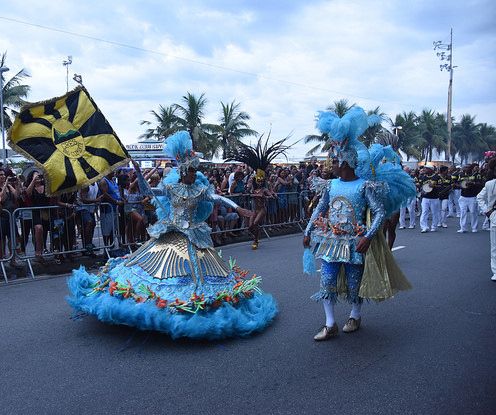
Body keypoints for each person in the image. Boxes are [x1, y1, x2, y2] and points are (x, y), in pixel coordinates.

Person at [68, 131, 277, 340]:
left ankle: (195, 302)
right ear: (184, 171)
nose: (195, 175)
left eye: (196, 172)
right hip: (171, 232)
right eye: (192, 171)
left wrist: (238, 208)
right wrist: (140, 174)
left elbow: (217, 198)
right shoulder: (170, 187)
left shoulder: (200, 189)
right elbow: (147, 191)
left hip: (194, 235)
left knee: (198, 274)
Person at [303, 107, 414, 341]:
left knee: (354, 284)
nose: (331, 164)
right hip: (331, 241)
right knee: (327, 281)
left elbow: (380, 212)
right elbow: (320, 209)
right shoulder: (330, 185)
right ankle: (330, 323)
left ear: (345, 163)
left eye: (334, 160)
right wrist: (307, 230)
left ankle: (355, 315)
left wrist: (368, 237)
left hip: (355, 243)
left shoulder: (364, 186)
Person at [477, 159, 496, 281]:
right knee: (495, 246)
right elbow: (480, 197)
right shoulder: (490, 184)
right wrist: (488, 211)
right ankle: (495, 271)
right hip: (495, 215)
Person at [458, 164, 483, 233]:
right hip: (463, 196)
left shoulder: (476, 175)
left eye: (468, 167)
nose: (466, 168)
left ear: (471, 168)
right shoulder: (461, 175)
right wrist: (461, 185)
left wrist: (472, 183)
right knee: (463, 212)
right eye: (465, 167)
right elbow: (458, 183)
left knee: (473, 212)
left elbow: (480, 184)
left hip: (472, 196)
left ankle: (474, 227)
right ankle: (463, 228)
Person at [419, 165, 441, 233]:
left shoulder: (437, 177)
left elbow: (440, 186)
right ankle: (424, 227)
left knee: (434, 213)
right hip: (425, 198)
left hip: (434, 198)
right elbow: (421, 186)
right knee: (424, 212)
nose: (424, 170)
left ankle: (434, 226)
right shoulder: (423, 177)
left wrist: (434, 186)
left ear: (430, 169)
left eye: (426, 168)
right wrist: (421, 190)